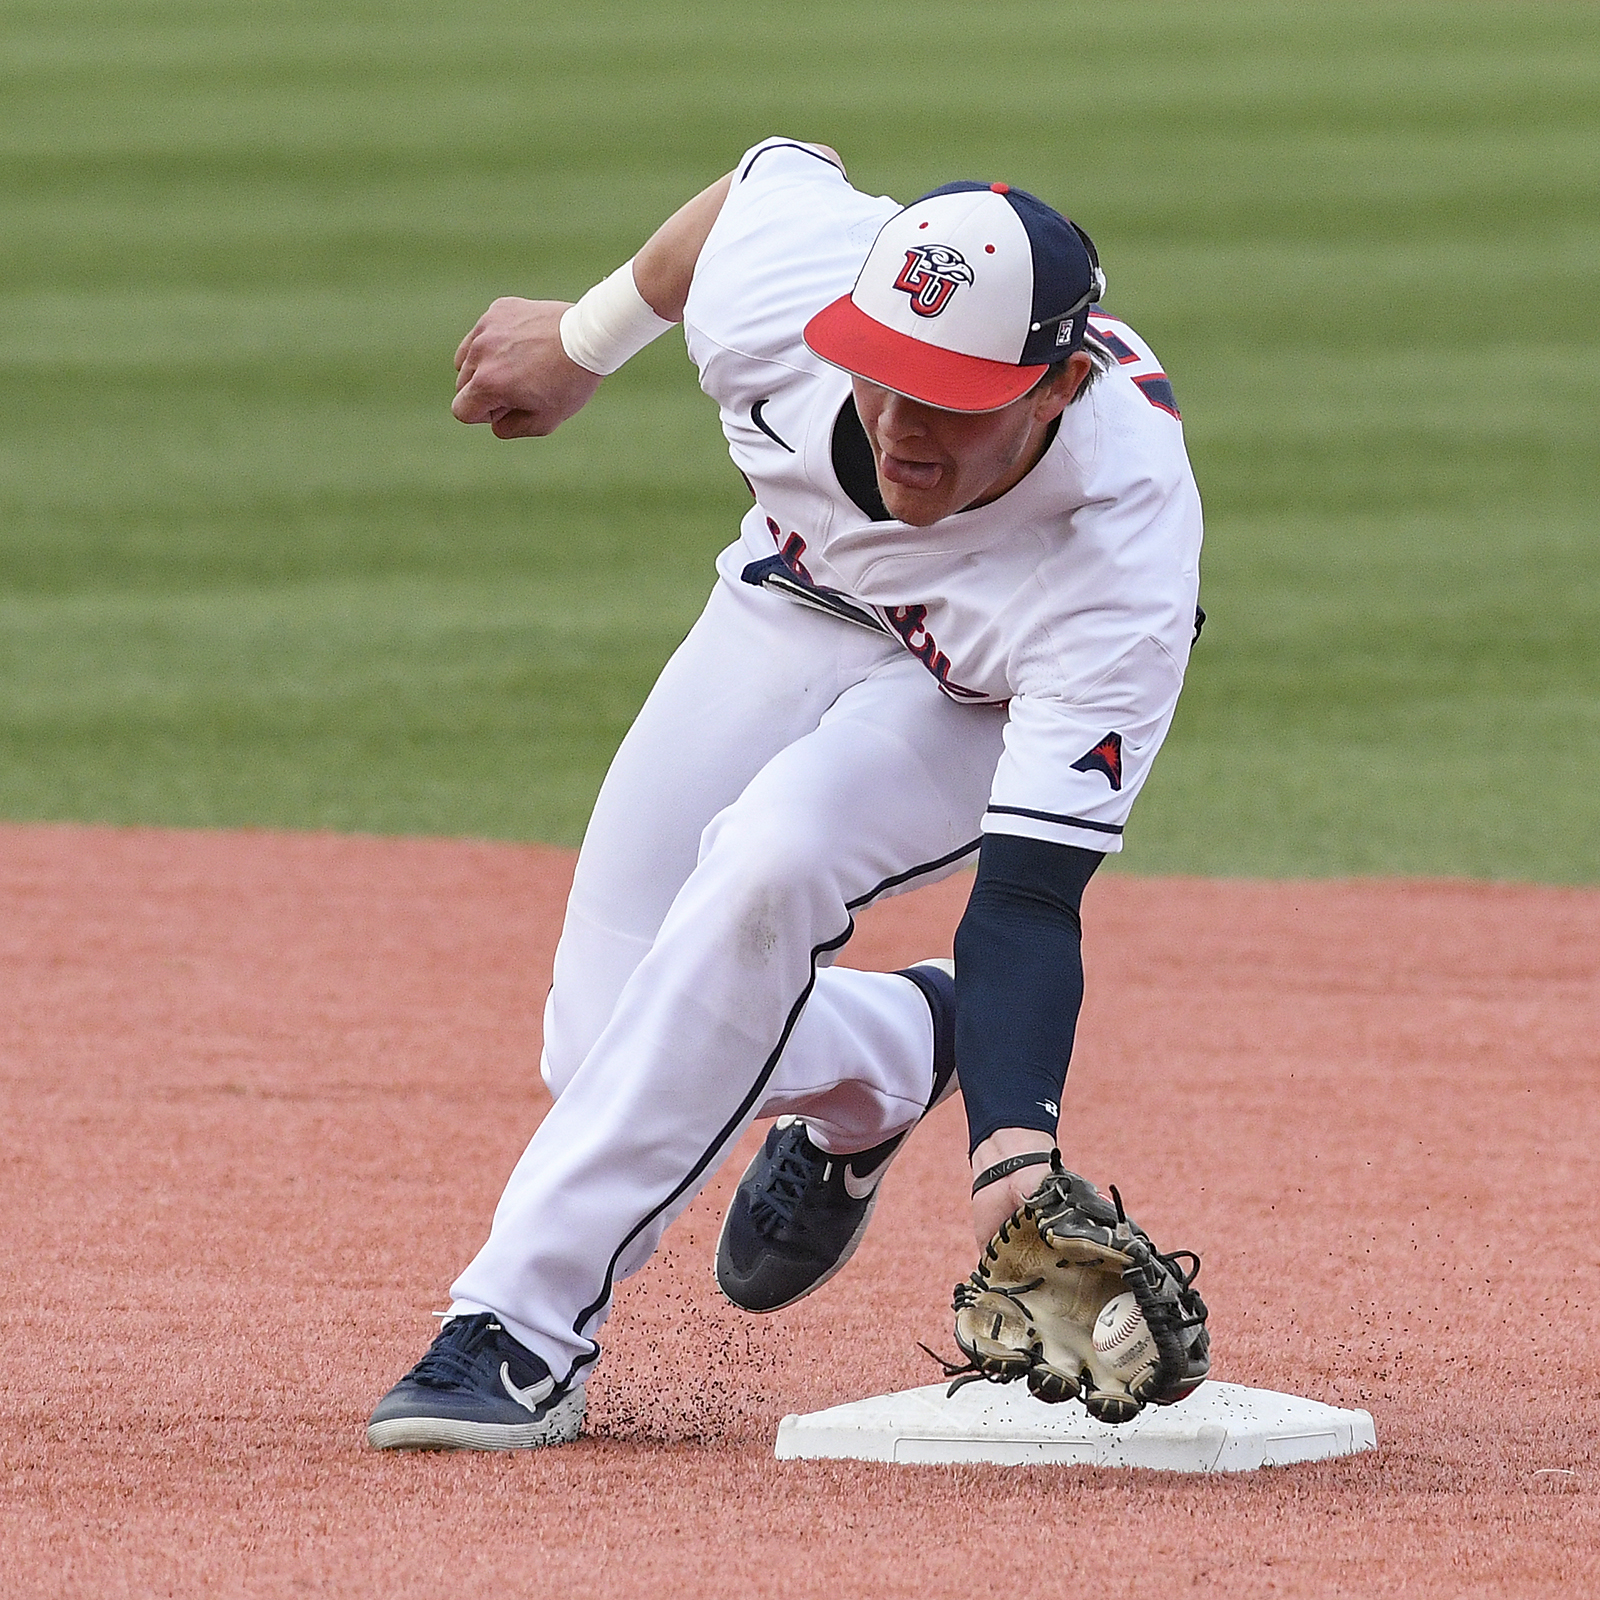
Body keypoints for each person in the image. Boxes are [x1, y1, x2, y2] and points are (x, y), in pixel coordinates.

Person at [366, 137, 1203, 1451]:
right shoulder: (785, 295)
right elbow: (752, 187)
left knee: (773, 855)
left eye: (957, 398)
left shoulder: (1117, 562)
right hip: (788, 611)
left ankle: (518, 1326)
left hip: (974, 704)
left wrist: (1014, 1166)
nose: (903, 422)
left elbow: (1029, 906)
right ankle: (895, 1052)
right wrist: (581, 343)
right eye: (888, 377)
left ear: (1058, 385)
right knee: (603, 1052)